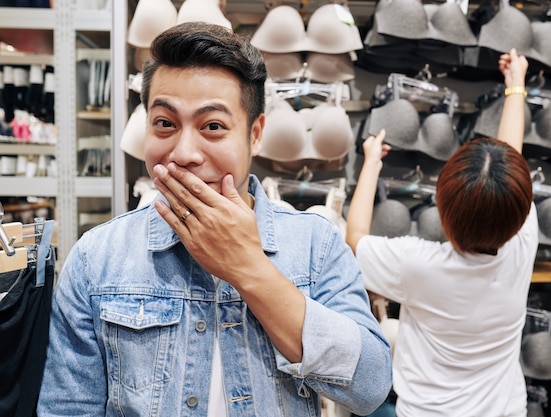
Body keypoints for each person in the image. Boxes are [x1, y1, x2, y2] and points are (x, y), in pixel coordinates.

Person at [37, 22, 392, 417]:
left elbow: (370, 385)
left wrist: (250, 269)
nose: (184, 152)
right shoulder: (97, 258)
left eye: (213, 127)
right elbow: (67, 408)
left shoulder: (315, 245)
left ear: (255, 135)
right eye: (165, 124)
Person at [346, 49, 537, 417]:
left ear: (443, 212)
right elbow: (512, 159)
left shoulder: (417, 266)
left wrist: (370, 164)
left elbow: (356, 239)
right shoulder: (523, 239)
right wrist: (516, 86)